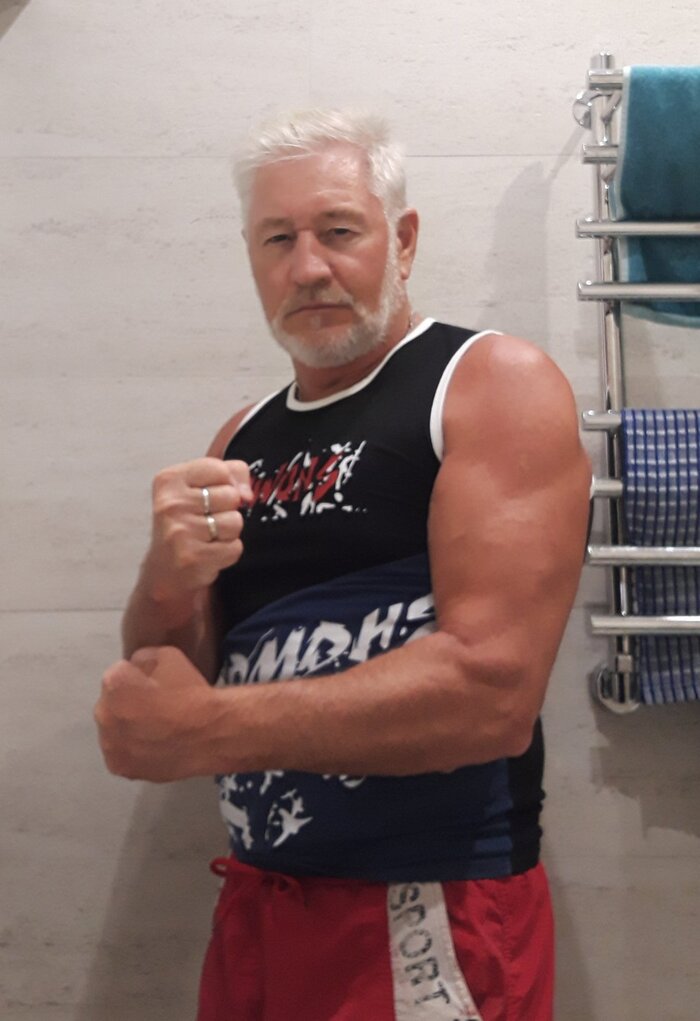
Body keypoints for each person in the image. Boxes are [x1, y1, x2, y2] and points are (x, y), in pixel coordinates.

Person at [95, 110, 592, 1021]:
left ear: (402, 240)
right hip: (259, 906)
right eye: (278, 239)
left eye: (338, 230)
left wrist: (207, 731)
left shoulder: (487, 382)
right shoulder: (240, 436)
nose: (308, 267)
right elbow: (175, 680)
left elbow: (491, 692)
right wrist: (163, 580)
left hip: (429, 908)